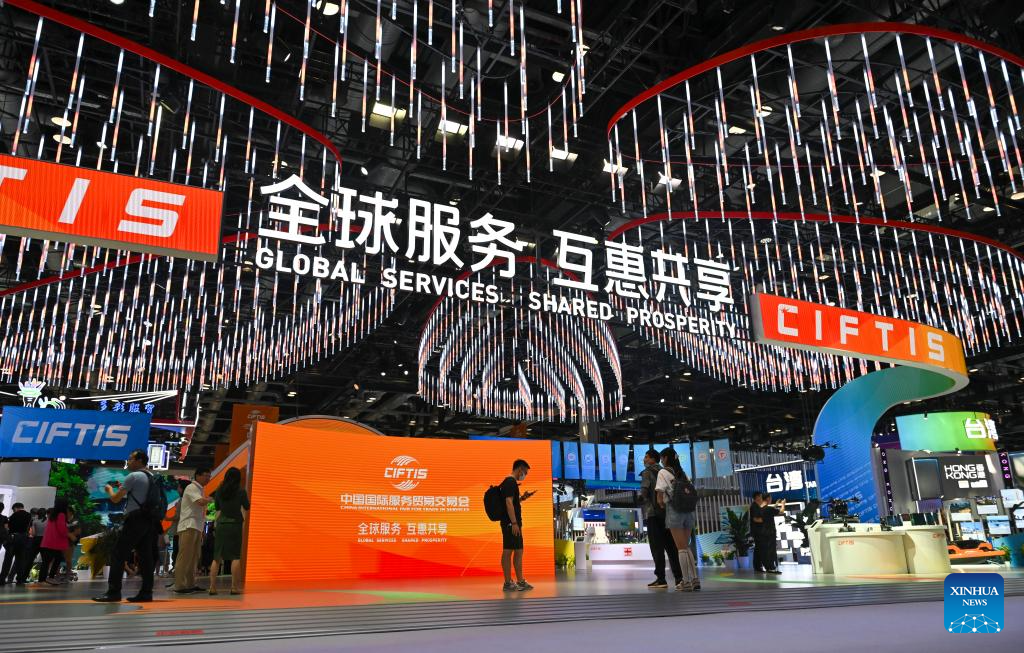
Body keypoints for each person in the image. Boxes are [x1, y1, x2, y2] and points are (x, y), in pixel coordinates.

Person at [93, 449, 161, 603]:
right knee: (145, 557)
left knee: (118, 554)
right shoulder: (151, 477)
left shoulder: (133, 476)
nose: (128, 461)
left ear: (139, 460)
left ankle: (113, 592)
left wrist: (110, 490)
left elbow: (116, 499)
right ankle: (146, 593)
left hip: (134, 519)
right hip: (148, 520)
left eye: (131, 459)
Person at [656, 447, 699, 591]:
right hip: (689, 512)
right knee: (686, 546)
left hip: (675, 511)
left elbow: (660, 496)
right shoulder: (683, 473)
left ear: (665, 458)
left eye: (662, 458)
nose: (661, 461)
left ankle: (685, 581)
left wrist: (661, 504)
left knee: (680, 548)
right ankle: (695, 579)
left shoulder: (663, 472)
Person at [639, 449, 682, 589]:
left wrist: (640, 499)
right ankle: (679, 578)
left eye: (646, 457)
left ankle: (661, 579)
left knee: (657, 548)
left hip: (653, 514)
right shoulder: (667, 471)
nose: (644, 459)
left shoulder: (647, 472)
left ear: (653, 459)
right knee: (671, 547)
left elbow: (644, 492)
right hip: (669, 514)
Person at [208, 467, 249, 595]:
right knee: (235, 556)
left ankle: (212, 587)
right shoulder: (241, 491)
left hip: (221, 525)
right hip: (235, 525)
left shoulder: (219, 491)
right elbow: (247, 506)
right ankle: (234, 587)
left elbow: (217, 508)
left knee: (217, 557)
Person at [173, 468, 211, 594]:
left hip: (196, 526)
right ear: (198, 476)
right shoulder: (192, 487)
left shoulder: (200, 489)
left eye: (209, 476)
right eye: (206, 475)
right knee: (185, 557)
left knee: (193, 557)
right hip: (188, 526)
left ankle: (190, 583)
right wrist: (211, 499)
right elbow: (200, 502)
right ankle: (179, 585)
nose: (208, 478)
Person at [500, 459, 536, 592]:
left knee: (517, 551)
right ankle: (508, 582)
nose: (524, 475)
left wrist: (522, 498)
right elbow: (508, 502)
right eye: (525, 472)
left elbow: (513, 502)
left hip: (511, 522)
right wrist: (514, 523)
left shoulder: (510, 482)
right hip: (511, 523)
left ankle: (519, 581)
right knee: (508, 551)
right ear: (520, 469)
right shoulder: (510, 482)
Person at [38, 498, 70, 585]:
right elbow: (62, 530)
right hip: (55, 543)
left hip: (47, 542)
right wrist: (68, 534)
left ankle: (42, 579)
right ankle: (50, 577)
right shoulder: (61, 515)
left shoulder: (53, 514)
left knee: (46, 562)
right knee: (57, 559)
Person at [1, 503, 32, 585]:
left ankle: (2, 579)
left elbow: (9, 527)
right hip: (23, 539)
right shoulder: (29, 515)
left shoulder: (14, 515)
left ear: (16, 508)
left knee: (8, 560)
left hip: (13, 539)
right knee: (20, 560)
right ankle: (20, 580)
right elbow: (29, 528)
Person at [758, 494, 784, 574]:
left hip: (762, 532)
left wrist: (776, 504)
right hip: (770, 532)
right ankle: (771, 568)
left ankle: (767, 567)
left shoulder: (760, 509)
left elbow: (772, 511)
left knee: (766, 550)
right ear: (768, 498)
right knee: (771, 550)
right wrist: (783, 504)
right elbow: (781, 511)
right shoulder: (768, 509)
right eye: (770, 498)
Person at [748, 491, 765, 572]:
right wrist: (765, 520)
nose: (762, 498)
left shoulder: (757, 506)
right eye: (761, 496)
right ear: (757, 497)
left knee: (759, 548)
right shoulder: (754, 506)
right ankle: (758, 566)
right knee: (758, 549)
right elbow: (755, 519)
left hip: (759, 531)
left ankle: (759, 566)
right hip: (757, 531)